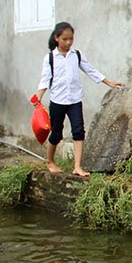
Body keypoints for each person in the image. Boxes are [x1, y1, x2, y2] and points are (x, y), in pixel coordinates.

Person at [34, 22, 124, 178]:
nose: (68, 42)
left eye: (71, 39)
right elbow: (45, 79)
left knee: (78, 131)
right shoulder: (50, 58)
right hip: (57, 100)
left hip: (75, 100)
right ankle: (49, 161)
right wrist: (39, 96)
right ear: (57, 39)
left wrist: (109, 82)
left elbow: (91, 70)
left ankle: (77, 166)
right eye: (64, 39)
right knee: (56, 133)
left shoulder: (76, 55)